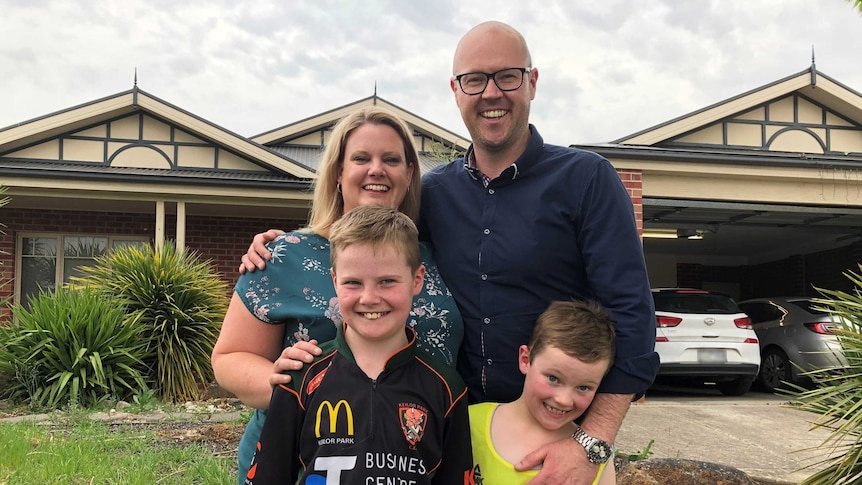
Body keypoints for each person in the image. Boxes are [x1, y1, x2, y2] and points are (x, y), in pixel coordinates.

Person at [240, 21, 658, 485]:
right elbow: (373, 241)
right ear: (456, 91)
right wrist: (293, 243)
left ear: (533, 82)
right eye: (475, 80)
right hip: (450, 428)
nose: (491, 93)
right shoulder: (433, 196)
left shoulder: (586, 180)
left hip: (557, 436)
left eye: (508, 76)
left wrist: (590, 444)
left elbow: (632, 316)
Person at [211, 106, 464, 484]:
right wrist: (284, 386)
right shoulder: (283, 255)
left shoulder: (440, 255)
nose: (376, 169)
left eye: (391, 159)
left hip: (417, 460)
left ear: (409, 174)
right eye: (361, 158)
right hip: (304, 462)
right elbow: (229, 358)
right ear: (338, 173)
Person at [245, 205, 472, 484]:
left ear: (417, 280)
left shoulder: (448, 388)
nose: (370, 298)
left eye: (387, 281)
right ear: (335, 281)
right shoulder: (300, 377)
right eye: (353, 282)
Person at [469, 300, 616, 485]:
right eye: (553, 378)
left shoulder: (594, 459)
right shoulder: (468, 422)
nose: (564, 400)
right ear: (525, 359)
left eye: (583, 387)